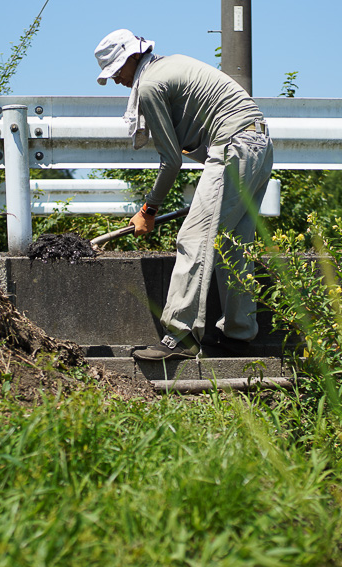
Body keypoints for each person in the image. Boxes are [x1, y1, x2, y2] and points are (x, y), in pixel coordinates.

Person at [94, 29, 274, 361]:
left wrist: (149, 209)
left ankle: (179, 336)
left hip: (234, 143)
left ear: (133, 58)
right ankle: (238, 335)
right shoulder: (170, 66)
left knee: (193, 239)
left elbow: (171, 160)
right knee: (232, 245)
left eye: (117, 70)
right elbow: (190, 140)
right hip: (258, 141)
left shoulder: (150, 85)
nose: (118, 80)